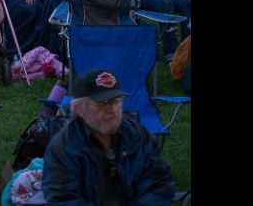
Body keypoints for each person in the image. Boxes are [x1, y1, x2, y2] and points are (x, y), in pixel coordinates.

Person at [42, 69, 175, 204]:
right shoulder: (64, 147)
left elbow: (159, 182)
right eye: (102, 103)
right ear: (78, 109)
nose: (112, 109)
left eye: (116, 101)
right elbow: (64, 198)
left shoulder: (139, 136)